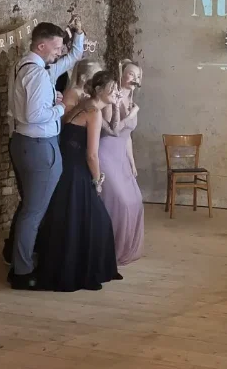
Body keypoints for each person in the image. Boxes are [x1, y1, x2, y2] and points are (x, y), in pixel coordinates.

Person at [6, 21, 84, 289]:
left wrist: (78, 35)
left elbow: (72, 58)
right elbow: (34, 115)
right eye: (57, 46)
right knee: (33, 211)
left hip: (22, 143)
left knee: (29, 206)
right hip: (39, 146)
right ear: (42, 45)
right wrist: (63, 107)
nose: (60, 52)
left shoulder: (26, 66)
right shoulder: (38, 75)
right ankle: (22, 271)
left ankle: (16, 257)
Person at [35, 70, 123, 292]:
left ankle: (80, 267)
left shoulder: (84, 105)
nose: (115, 92)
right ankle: (86, 271)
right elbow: (91, 155)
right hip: (76, 172)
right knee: (99, 221)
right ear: (98, 90)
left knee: (73, 221)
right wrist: (98, 180)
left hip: (65, 169)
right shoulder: (93, 112)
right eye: (111, 88)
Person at [99, 60, 144, 266]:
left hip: (121, 156)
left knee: (136, 201)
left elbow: (128, 137)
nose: (135, 79)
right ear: (121, 75)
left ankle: (126, 247)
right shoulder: (111, 98)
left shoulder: (132, 98)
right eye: (131, 74)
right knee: (121, 202)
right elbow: (112, 129)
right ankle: (109, 249)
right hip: (106, 153)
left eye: (138, 76)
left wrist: (132, 163)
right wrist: (132, 114)